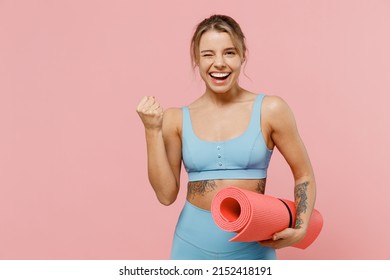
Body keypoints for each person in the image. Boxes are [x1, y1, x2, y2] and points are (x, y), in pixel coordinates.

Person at [136, 14, 316, 260]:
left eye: (229, 53)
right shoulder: (176, 118)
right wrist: (152, 130)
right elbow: (166, 195)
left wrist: (301, 227)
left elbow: (303, 174)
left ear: (243, 56)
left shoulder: (270, 110)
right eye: (208, 54)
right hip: (190, 245)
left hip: (253, 246)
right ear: (196, 61)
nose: (218, 63)